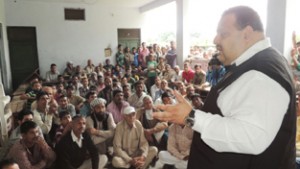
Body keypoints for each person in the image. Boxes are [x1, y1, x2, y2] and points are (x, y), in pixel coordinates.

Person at [153, 6, 296, 169]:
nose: (215, 40)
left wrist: (191, 117)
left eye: (223, 33)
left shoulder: (261, 73)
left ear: (247, 33)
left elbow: (251, 136)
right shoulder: (257, 64)